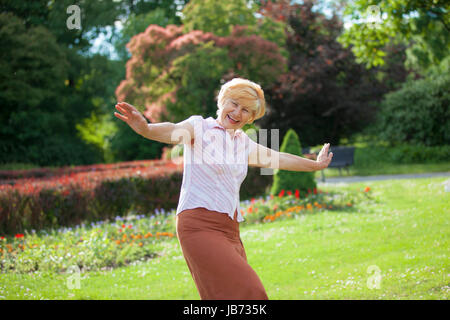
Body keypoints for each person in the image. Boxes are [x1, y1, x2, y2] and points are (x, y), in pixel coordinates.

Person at [114, 78, 333, 300]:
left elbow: (280, 158)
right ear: (222, 101)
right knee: (250, 292)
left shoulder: (243, 143)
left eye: (246, 110)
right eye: (234, 103)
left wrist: (315, 164)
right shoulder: (199, 127)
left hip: (230, 230)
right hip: (198, 225)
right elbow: (172, 130)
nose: (238, 112)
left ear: (251, 117)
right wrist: (145, 128)